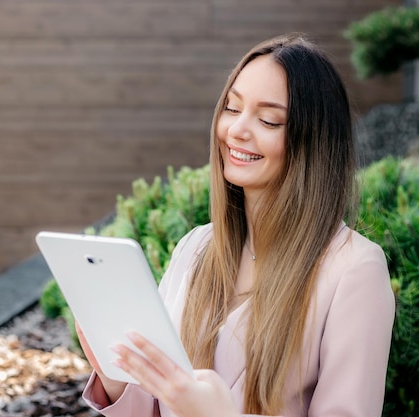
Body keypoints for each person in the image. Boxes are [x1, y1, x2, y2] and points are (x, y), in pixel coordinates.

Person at [76, 33, 395, 417]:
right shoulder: (195, 248)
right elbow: (155, 405)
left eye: (268, 119)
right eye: (231, 108)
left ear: (314, 141)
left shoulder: (355, 270)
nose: (237, 130)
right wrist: (116, 379)